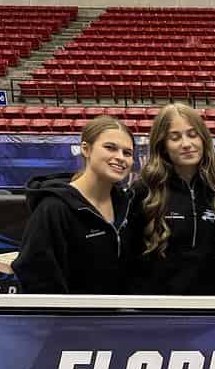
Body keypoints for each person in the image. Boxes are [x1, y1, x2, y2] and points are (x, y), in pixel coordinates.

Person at [13, 116, 140, 294]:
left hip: (124, 318)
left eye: (127, 153)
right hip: (72, 320)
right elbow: (37, 278)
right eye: (110, 148)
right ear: (86, 149)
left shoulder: (128, 205)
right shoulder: (54, 208)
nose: (120, 157)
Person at [133, 103, 215, 295]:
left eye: (192, 134)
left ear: (203, 139)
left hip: (214, 310)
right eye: (175, 137)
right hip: (159, 310)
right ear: (162, 145)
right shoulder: (144, 192)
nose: (186, 144)